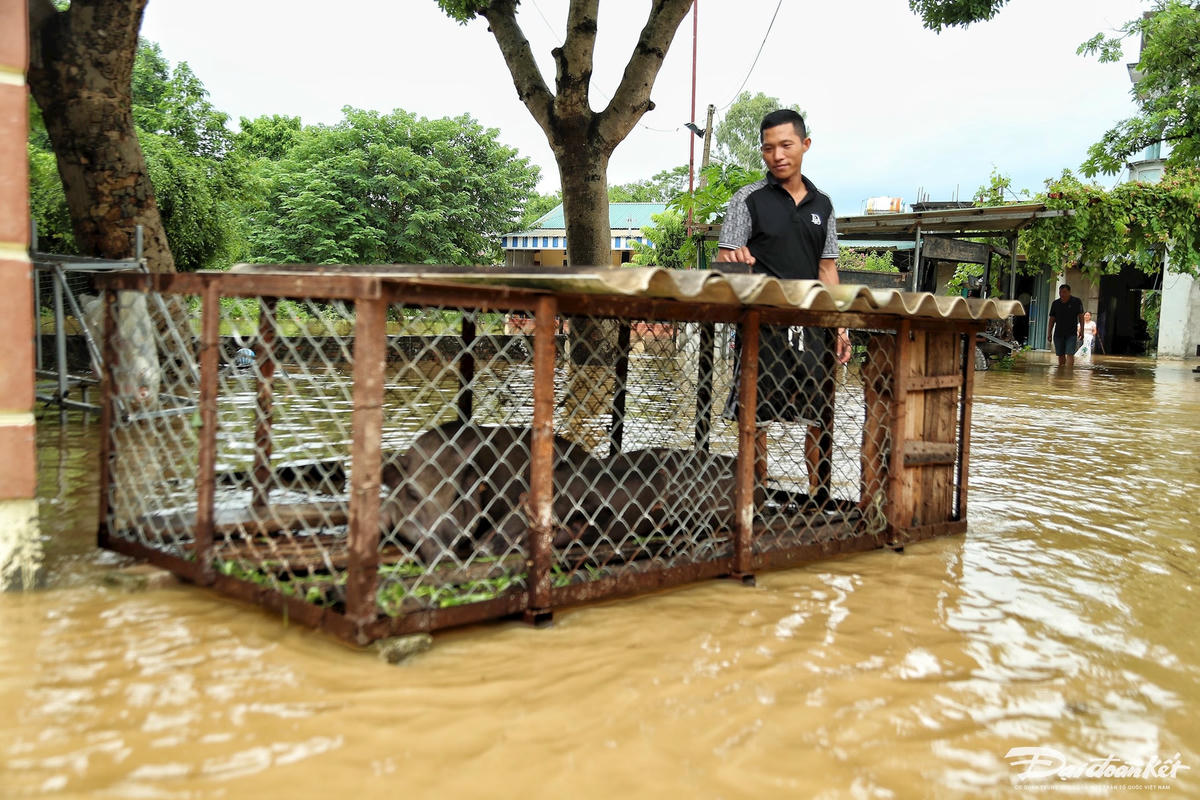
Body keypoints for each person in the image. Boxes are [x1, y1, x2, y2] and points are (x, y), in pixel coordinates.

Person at [714, 109, 852, 500]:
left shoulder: (822, 205)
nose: (777, 155)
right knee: (755, 419)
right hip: (762, 326)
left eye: (786, 145)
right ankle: (755, 497)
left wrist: (840, 327)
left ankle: (817, 497)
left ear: (805, 145)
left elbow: (827, 270)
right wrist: (735, 261)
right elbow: (727, 263)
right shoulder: (748, 200)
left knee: (818, 418)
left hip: (812, 329)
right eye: (769, 148)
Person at [1047, 284, 1084, 368]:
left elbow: (1081, 317)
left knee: (1070, 354)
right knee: (1060, 355)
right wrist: (1049, 333)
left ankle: (1069, 373)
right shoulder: (1055, 303)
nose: (1062, 294)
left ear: (1069, 292)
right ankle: (1061, 373)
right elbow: (1052, 319)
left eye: (1064, 292)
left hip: (1071, 333)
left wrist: (1082, 330)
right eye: (1060, 292)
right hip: (1058, 333)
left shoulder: (1076, 301)